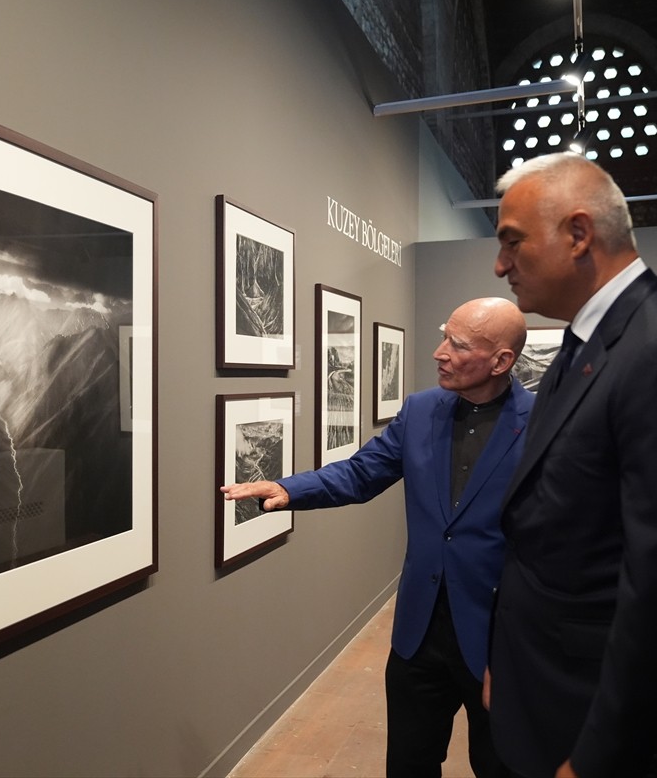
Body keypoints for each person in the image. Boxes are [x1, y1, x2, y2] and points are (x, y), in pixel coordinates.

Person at [484, 152, 657, 778]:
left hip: (614, 737)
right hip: (552, 693)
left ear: (579, 235)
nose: (500, 265)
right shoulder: (592, 343)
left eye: (512, 242)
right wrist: (512, 662)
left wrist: (599, 758)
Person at [222, 297, 534, 778]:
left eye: (458, 343)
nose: (439, 351)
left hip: (497, 639)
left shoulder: (544, 425)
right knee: (409, 763)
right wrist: (288, 487)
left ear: (501, 361)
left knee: (502, 765)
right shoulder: (421, 409)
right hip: (419, 632)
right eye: (443, 334)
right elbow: (361, 474)